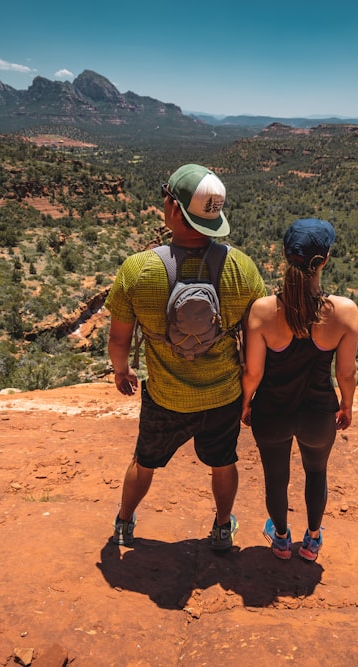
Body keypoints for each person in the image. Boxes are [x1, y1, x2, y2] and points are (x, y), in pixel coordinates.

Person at [105, 163, 266, 551]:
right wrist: (249, 393)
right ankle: (222, 528)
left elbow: (118, 337)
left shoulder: (138, 269)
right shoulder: (241, 268)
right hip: (223, 397)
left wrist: (122, 371)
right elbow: (256, 338)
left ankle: (125, 523)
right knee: (223, 462)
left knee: (145, 461)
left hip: (165, 398)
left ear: (175, 211)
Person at [241, 218, 358, 562]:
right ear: (325, 259)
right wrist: (347, 405)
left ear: (283, 254)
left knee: (276, 477)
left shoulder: (263, 310)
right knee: (317, 472)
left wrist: (245, 404)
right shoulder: (344, 312)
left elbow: (253, 371)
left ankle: (280, 540)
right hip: (318, 414)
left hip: (272, 413)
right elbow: (346, 372)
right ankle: (312, 541)